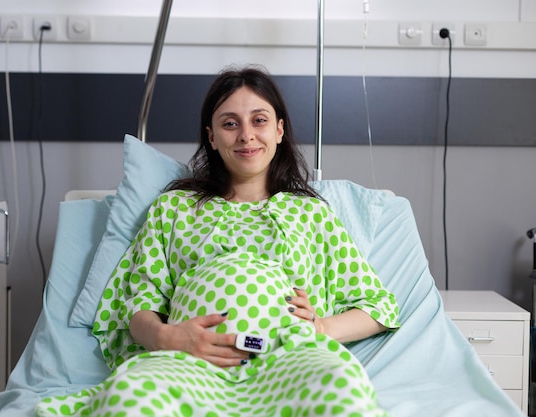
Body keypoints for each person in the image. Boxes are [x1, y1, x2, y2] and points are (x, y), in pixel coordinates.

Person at [36, 66, 400, 417]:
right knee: (129, 399)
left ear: (279, 130)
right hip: (185, 360)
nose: (245, 135)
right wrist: (169, 339)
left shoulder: (311, 214)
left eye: (259, 120)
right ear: (211, 136)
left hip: (291, 356)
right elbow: (137, 306)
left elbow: (377, 306)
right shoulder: (174, 208)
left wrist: (320, 327)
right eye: (230, 124)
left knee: (342, 395)